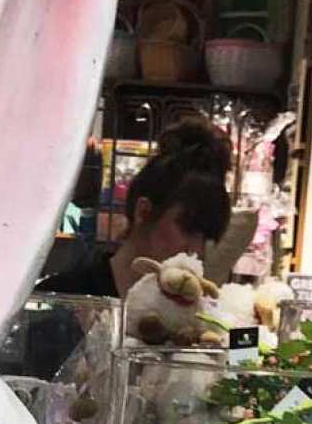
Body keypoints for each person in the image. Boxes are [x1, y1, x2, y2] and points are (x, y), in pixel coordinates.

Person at [37, 116, 232, 298]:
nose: (196, 251)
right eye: (188, 230)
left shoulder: (192, 316)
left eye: (205, 238)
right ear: (143, 212)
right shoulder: (65, 297)